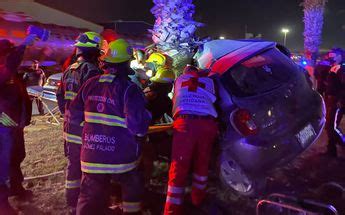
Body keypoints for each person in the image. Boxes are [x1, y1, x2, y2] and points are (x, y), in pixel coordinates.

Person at [67, 38, 151, 215]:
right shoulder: (129, 89)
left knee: (89, 197)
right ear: (127, 62)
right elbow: (137, 124)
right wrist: (143, 131)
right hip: (121, 157)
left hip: (91, 154)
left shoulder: (89, 84)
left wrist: (92, 133)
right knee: (132, 183)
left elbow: (73, 115)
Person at [56, 31, 104, 212]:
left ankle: (71, 200)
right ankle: (87, 203)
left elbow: (60, 97)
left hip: (70, 127)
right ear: (93, 52)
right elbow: (96, 101)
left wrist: (68, 115)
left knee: (73, 164)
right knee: (88, 166)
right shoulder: (92, 71)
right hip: (85, 129)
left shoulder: (69, 70)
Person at [164, 65, 218, 215]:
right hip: (207, 123)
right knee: (202, 163)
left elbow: (175, 99)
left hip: (186, 123)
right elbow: (212, 98)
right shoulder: (209, 82)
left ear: (185, 73)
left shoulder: (180, 79)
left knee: (178, 167)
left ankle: (172, 210)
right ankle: (198, 198)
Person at [0, 35, 37, 214]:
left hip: (13, 125)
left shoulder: (9, 72)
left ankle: (16, 189)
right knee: (3, 164)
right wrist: (25, 43)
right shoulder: (4, 70)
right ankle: (2, 204)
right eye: (9, 51)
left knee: (15, 157)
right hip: (3, 125)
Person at [324, 48, 345, 157]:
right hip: (332, 100)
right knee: (331, 125)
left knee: (331, 127)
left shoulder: (340, 68)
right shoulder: (334, 67)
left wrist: (340, 99)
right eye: (330, 55)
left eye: (334, 55)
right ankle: (331, 151)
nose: (331, 57)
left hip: (336, 101)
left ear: (340, 56)